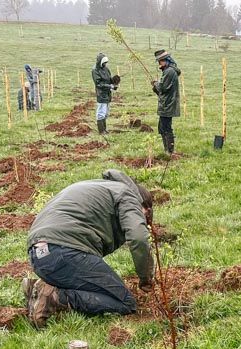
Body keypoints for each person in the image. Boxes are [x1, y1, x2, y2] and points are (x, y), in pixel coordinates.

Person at [22, 169, 155, 327]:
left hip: (39, 256)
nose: (145, 220)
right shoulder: (129, 196)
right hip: (64, 250)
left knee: (94, 286)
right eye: (145, 215)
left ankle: (38, 289)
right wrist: (146, 277)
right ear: (143, 206)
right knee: (125, 302)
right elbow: (138, 238)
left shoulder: (100, 187)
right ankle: (53, 297)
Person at [152, 50, 181, 156]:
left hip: (168, 104)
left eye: (160, 61)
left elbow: (163, 88)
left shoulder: (169, 72)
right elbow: (163, 89)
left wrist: (155, 84)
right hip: (167, 103)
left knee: (166, 127)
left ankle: (169, 151)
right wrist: (156, 86)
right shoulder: (168, 71)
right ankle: (167, 150)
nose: (159, 64)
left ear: (166, 60)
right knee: (162, 127)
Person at [92, 52, 116, 135]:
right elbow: (98, 84)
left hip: (107, 93)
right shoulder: (95, 70)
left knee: (106, 113)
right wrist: (110, 86)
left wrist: (114, 81)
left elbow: (109, 79)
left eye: (106, 63)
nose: (105, 64)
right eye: (104, 62)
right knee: (101, 112)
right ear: (100, 62)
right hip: (101, 94)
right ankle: (101, 131)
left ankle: (104, 130)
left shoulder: (105, 69)